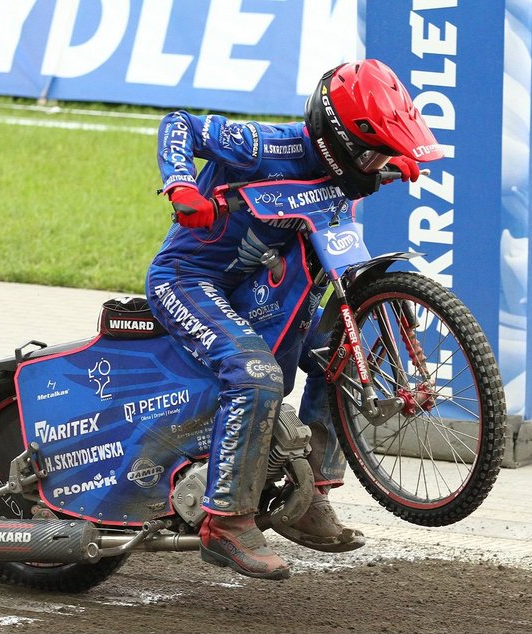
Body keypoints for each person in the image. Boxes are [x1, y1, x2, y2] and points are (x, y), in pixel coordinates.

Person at [146, 59, 441, 580]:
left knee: (342, 352)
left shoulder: (350, 172)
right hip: (189, 280)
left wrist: (397, 159)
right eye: (372, 155)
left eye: (385, 156)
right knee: (257, 375)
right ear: (338, 142)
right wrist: (180, 185)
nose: (377, 167)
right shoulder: (265, 145)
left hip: (266, 284)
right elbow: (179, 123)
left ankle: (308, 497)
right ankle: (226, 524)